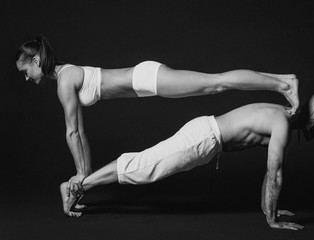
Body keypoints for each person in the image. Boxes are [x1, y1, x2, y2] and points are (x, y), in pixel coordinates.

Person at [16, 35, 299, 198]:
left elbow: (73, 132)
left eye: (25, 71)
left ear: (37, 62)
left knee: (217, 83)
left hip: (147, 78)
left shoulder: (65, 81)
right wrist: (83, 174)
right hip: (145, 82)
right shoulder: (64, 75)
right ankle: (284, 80)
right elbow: (78, 131)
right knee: (216, 83)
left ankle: (284, 84)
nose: (26, 78)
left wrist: (82, 175)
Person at [60, 92, 314, 230]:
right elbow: (274, 173)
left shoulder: (282, 117)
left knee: (145, 164)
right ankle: (77, 186)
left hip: (205, 135)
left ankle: (81, 185)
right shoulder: (282, 122)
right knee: (144, 167)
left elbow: (270, 172)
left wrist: (270, 212)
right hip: (204, 138)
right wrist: (273, 220)